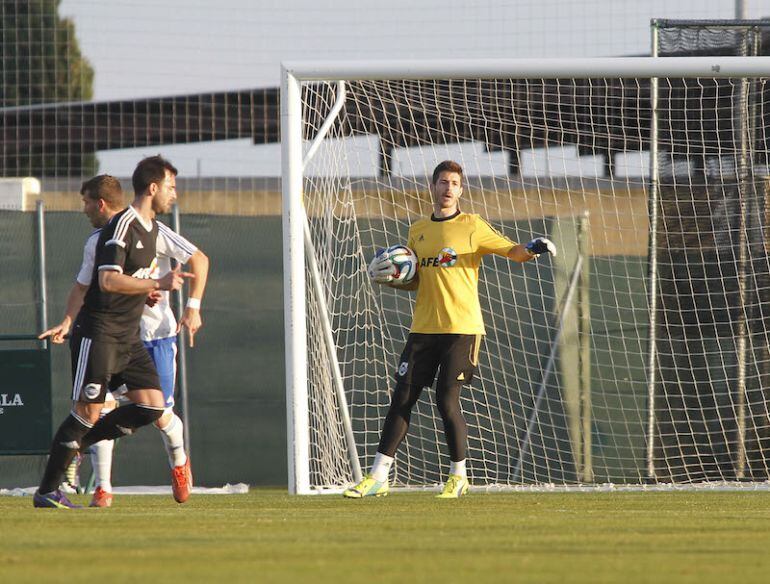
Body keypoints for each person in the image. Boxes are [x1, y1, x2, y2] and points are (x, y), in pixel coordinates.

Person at [344, 160, 556, 499]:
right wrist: (392, 278)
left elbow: (512, 252)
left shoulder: (472, 225)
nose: (448, 188)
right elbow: (415, 281)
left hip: (462, 329)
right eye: (443, 182)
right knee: (402, 398)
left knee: (446, 399)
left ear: (461, 190)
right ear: (433, 186)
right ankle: (378, 476)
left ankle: (459, 476)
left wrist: (532, 248)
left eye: (454, 183)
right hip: (424, 328)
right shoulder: (418, 230)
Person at [40, 160, 209, 507]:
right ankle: (53, 489)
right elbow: (102, 281)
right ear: (152, 188)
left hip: (132, 337)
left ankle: (77, 447)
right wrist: (155, 283)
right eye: (170, 187)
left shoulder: (152, 229)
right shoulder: (121, 227)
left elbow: (124, 278)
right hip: (101, 332)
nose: (174, 194)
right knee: (89, 412)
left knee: (153, 407)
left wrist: (152, 292)